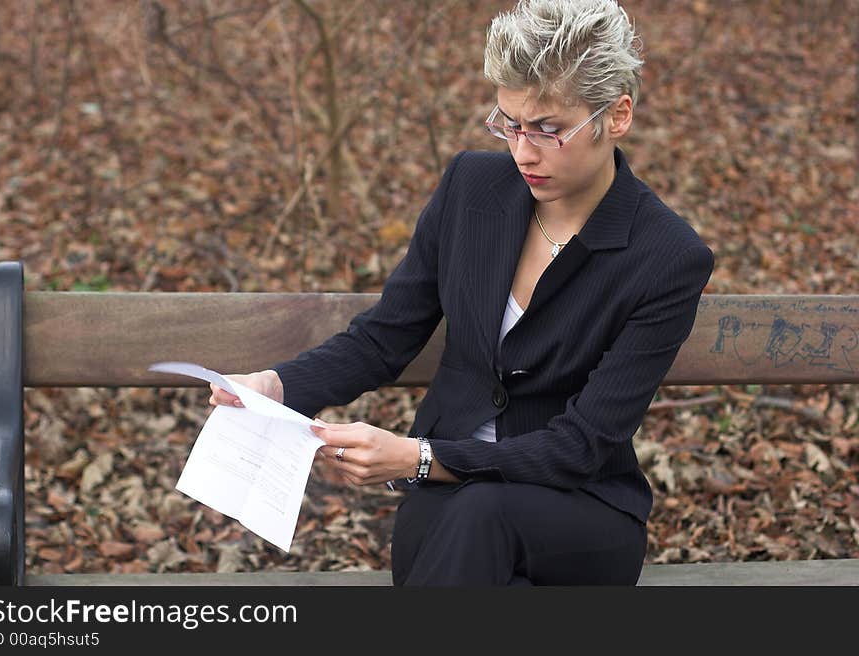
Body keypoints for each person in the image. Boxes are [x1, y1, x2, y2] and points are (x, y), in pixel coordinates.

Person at [209, 0, 714, 586]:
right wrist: (277, 386)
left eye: (549, 129)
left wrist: (422, 457)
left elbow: (581, 445)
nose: (524, 151)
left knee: (480, 515)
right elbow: (384, 338)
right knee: (459, 530)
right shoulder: (473, 188)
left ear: (617, 115)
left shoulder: (667, 256)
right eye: (510, 124)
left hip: (580, 510)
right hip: (447, 499)